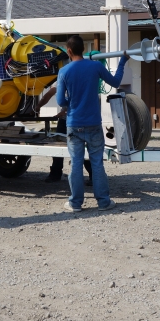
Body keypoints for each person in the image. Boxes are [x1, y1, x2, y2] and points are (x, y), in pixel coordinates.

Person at [56, 35, 128, 212]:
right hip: (94, 124)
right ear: (83, 49)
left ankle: (75, 203)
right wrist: (123, 61)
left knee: (76, 163)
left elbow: (60, 100)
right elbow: (116, 82)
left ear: (69, 51)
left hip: (74, 124)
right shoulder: (96, 66)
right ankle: (103, 202)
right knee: (97, 164)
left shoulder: (64, 71)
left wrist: (71, 102)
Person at [37, 86, 93, 184]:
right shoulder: (59, 83)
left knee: (81, 148)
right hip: (64, 121)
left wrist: (65, 112)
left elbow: (80, 103)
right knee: (57, 147)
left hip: (78, 121)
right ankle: (55, 174)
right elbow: (48, 95)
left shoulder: (77, 82)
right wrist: (37, 107)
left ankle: (93, 175)